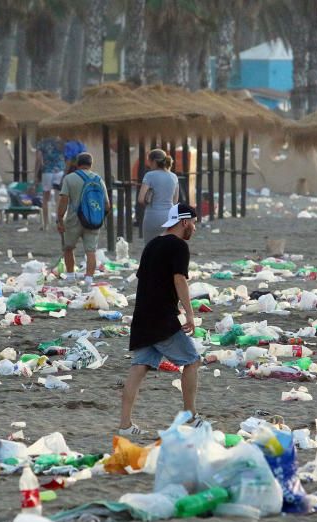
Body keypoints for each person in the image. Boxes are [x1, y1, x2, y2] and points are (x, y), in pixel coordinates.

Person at [118, 202, 202, 437]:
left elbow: (148, 280)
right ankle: (191, 417)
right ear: (184, 222)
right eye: (193, 224)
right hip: (162, 319)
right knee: (193, 361)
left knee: (139, 367)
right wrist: (190, 313)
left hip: (143, 316)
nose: (194, 229)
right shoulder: (178, 246)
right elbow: (179, 280)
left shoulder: (152, 244)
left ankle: (125, 425)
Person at [57, 153, 108, 285]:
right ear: (91, 164)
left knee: (68, 248)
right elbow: (107, 205)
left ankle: (70, 276)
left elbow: (63, 200)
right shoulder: (98, 179)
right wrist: (98, 217)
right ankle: (89, 278)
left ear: (77, 164)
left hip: (73, 219)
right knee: (91, 250)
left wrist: (59, 219)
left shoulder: (69, 178)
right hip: (93, 220)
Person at [138, 148, 180, 244]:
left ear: (153, 161)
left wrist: (148, 202)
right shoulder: (174, 177)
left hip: (152, 216)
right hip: (170, 217)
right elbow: (175, 201)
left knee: (151, 249)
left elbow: (141, 199)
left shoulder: (149, 175)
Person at [35, 136, 65, 230]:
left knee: (45, 198)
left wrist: (36, 174)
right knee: (58, 198)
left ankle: (46, 224)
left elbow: (39, 159)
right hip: (59, 171)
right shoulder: (61, 141)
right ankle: (59, 222)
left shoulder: (42, 142)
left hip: (47, 171)